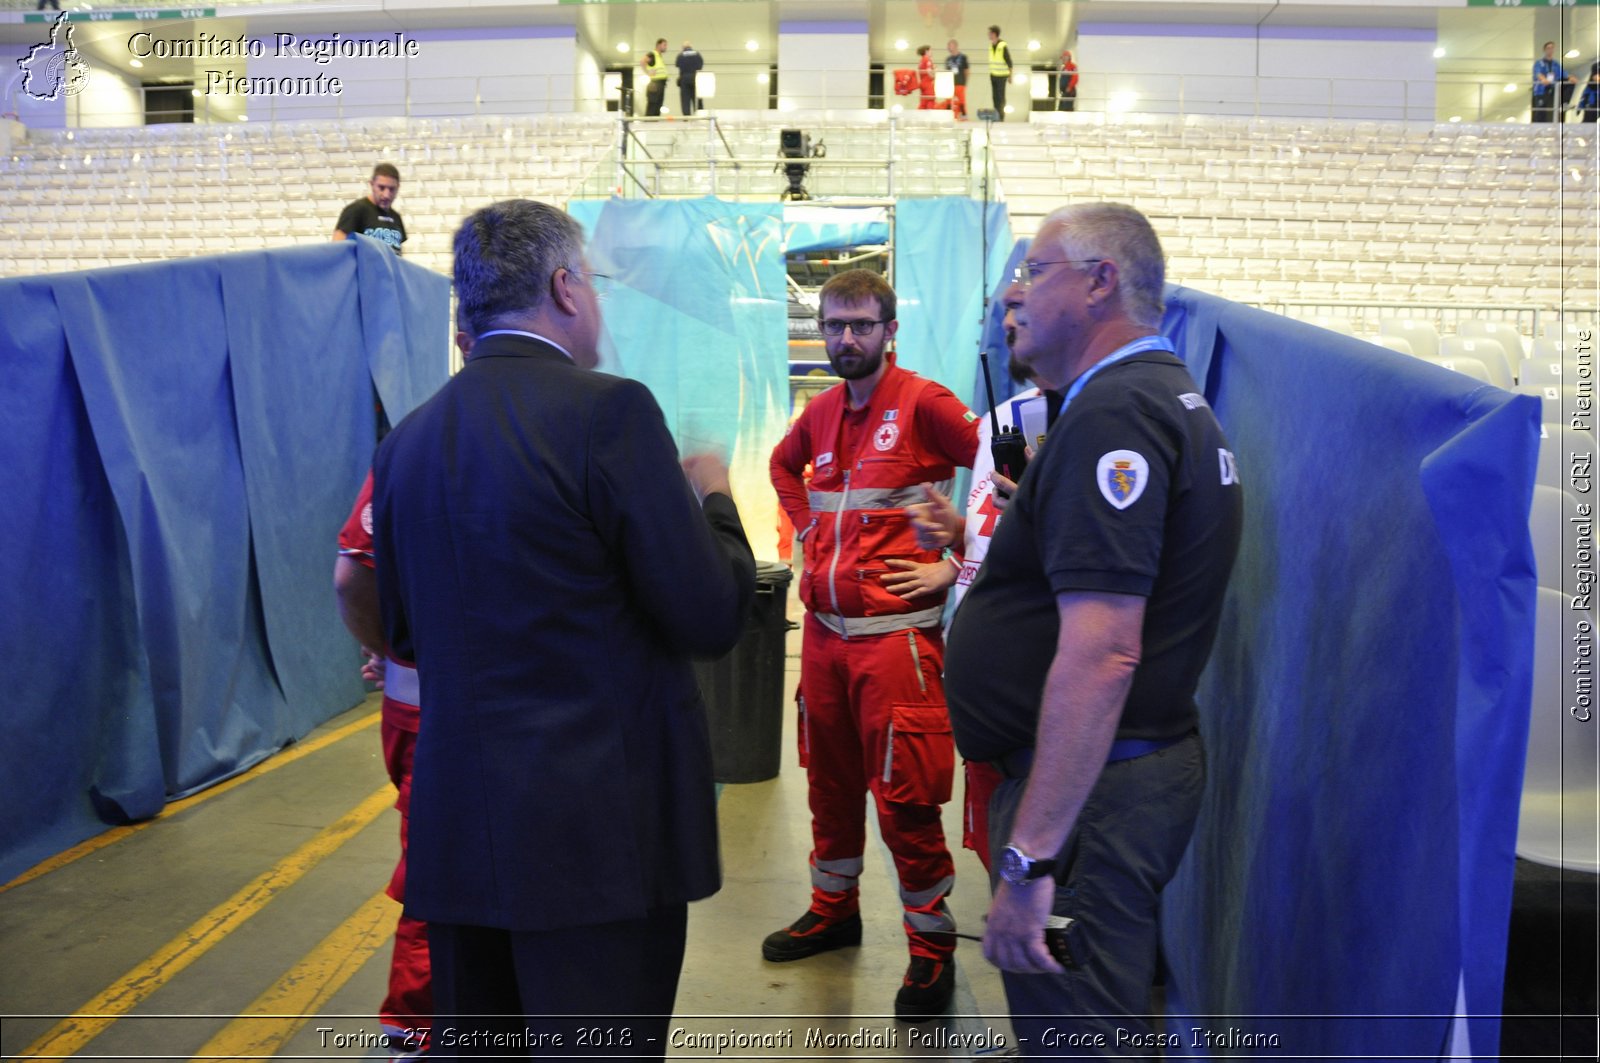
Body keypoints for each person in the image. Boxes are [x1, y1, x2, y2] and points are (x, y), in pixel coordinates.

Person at [372, 198, 757, 1058]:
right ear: (566, 287)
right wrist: (715, 497)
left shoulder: (407, 443)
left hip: (461, 838)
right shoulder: (610, 415)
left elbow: (401, 632)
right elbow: (710, 610)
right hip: (596, 848)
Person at [944, 203, 1243, 1053]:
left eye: (1035, 272)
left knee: (1079, 1038)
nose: (1018, 293)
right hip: (1103, 785)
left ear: (1100, 281)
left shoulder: (1116, 414)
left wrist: (1030, 860)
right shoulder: (1150, 399)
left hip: (1089, 799)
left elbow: (1104, 651)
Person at [766, 268, 980, 1022]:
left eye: (861, 324)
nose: (846, 338)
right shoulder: (820, 412)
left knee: (906, 801)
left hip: (896, 649)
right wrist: (809, 529)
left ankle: (930, 949)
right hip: (824, 644)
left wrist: (956, 565)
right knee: (828, 788)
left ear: (891, 331)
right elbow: (781, 466)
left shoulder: (924, 404)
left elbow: (995, 472)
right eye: (834, 325)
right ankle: (834, 908)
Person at [333, 163, 405, 254]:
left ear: (398, 187)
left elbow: (399, 254)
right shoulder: (356, 210)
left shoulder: (396, 217)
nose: (387, 195)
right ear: (372, 184)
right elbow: (337, 248)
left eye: (392, 189)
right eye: (381, 188)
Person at [1533, 41, 1577, 124]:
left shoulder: (1555, 64)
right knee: (1541, 110)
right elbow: (1538, 73)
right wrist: (1543, 79)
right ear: (1545, 50)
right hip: (1541, 90)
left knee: (1569, 82)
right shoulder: (1539, 63)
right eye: (1548, 48)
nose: (1550, 50)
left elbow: (1564, 74)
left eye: (1552, 48)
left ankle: (1565, 102)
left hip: (1553, 88)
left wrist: (1571, 77)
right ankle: (1539, 127)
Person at [988, 25, 1012, 120]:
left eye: (990, 33)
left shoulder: (1002, 46)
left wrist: (1010, 76)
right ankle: (996, 115)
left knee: (1001, 97)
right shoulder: (991, 46)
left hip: (1002, 75)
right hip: (993, 75)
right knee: (995, 97)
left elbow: (1009, 61)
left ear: (994, 34)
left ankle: (1001, 117)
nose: (988, 35)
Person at [641, 37, 670, 117]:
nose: (666, 47)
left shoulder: (659, 57)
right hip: (655, 84)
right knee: (653, 104)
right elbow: (642, 61)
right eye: (664, 45)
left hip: (661, 84)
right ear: (658, 45)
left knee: (658, 105)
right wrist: (647, 72)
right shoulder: (653, 54)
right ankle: (649, 123)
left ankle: (654, 122)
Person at [676, 40, 704, 117]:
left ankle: (687, 118)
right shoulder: (697, 54)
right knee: (697, 99)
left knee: (685, 100)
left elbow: (677, 65)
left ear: (683, 47)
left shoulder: (680, 55)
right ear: (691, 47)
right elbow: (701, 65)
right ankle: (700, 116)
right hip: (696, 78)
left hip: (684, 79)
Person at [946, 39, 969, 120]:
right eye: (948, 46)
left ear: (955, 46)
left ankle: (964, 117)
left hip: (960, 83)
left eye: (950, 45)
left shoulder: (963, 57)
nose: (948, 47)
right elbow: (947, 72)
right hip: (950, 84)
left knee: (961, 101)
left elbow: (966, 71)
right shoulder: (948, 59)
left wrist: (965, 83)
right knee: (948, 101)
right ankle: (947, 117)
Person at [916, 45, 937, 110]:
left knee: (923, 102)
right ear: (926, 51)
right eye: (931, 50)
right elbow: (929, 71)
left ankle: (919, 116)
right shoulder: (927, 59)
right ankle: (930, 117)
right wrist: (934, 74)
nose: (932, 52)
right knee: (930, 100)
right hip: (928, 83)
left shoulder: (921, 60)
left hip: (922, 83)